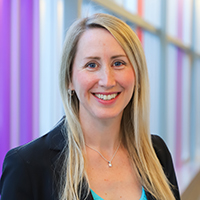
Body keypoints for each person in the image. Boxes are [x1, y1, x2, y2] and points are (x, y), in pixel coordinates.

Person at [0, 13, 180, 200]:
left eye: (118, 63)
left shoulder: (156, 153)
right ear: (69, 79)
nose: (107, 81)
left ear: (137, 75)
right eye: (91, 65)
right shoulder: (28, 166)